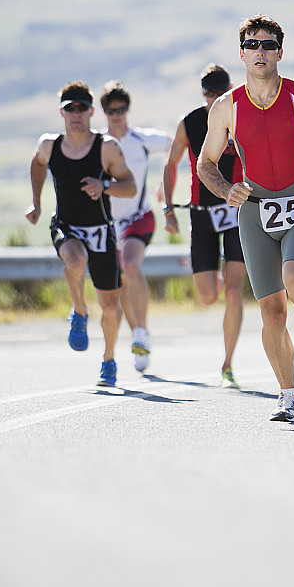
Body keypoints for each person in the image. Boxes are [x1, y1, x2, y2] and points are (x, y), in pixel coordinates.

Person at [197, 14, 294, 422]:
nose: (260, 52)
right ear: (241, 54)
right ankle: (288, 394)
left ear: (280, 52)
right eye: (252, 45)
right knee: (270, 311)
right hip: (254, 212)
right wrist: (225, 189)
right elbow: (205, 163)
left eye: (268, 45)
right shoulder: (226, 106)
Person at [25, 81, 136, 386]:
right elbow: (37, 163)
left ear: (91, 111)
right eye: (69, 108)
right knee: (75, 261)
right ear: (61, 112)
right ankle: (80, 310)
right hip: (66, 226)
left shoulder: (107, 147)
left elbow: (130, 187)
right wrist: (35, 202)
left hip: (100, 231)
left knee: (110, 306)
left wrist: (105, 186)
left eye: (81, 108)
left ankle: (109, 360)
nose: (76, 114)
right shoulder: (49, 145)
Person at [160, 64, 247, 389]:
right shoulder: (191, 122)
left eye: (219, 93)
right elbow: (170, 164)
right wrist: (169, 209)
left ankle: (228, 365)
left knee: (234, 291)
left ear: (229, 90)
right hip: (201, 215)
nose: (214, 99)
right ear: (203, 94)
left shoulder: (242, 118)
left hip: (237, 212)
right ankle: (222, 274)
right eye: (209, 94)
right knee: (209, 296)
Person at [100, 81, 171, 373]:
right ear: (103, 112)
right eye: (110, 110)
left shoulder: (142, 139)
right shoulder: (99, 144)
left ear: (128, 109)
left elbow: (173, 144)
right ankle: (138, 338)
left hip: (139, 218)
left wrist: (164, 183)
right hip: (109, 225)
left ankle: (141, 331)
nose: (116, 115)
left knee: (131, 266)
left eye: (121, 109)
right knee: (119, 284)